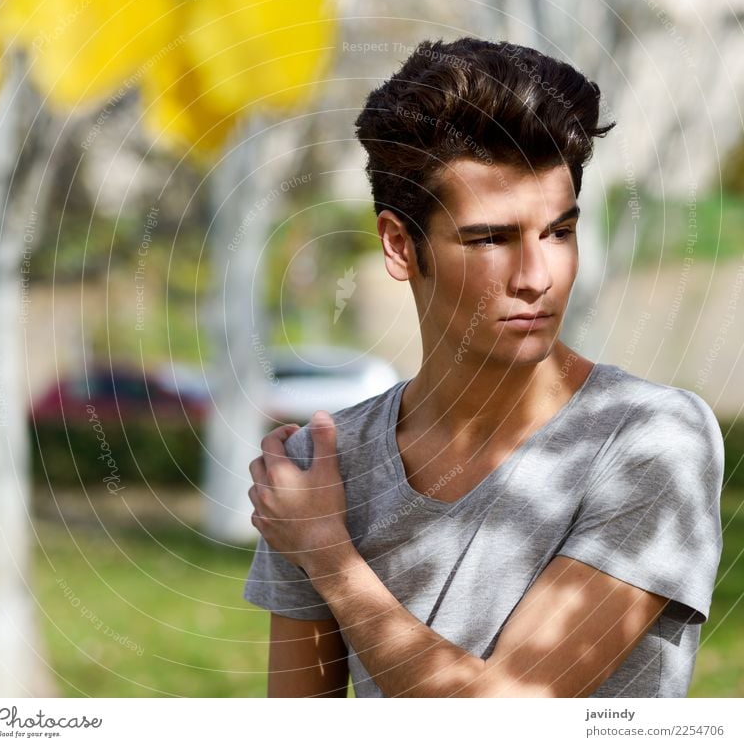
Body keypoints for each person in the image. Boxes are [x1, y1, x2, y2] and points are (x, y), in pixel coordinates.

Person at [242, 37, 724, 698]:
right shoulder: (323, 467)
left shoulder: (649, 439)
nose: (537, 277)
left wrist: (326, 552)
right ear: (399, 244)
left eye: (559, 232)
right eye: (491, 238)